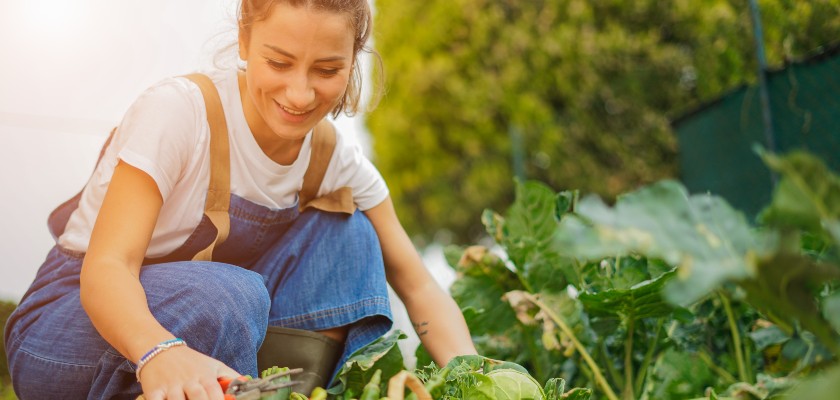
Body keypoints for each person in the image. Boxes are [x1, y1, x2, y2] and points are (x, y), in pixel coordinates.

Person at [4, 0, 478, 398]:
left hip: (217, 320)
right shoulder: (179, 112)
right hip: (68, 329)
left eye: (327, 69)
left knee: (351, 233)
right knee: (231, 294)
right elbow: (107, 268)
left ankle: (292, 391)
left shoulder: (335, 160)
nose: (300, 93)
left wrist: (480, 381)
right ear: (245, 39)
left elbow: (418, 287)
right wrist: (159, 352)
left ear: (353, 59)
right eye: (279, 62)